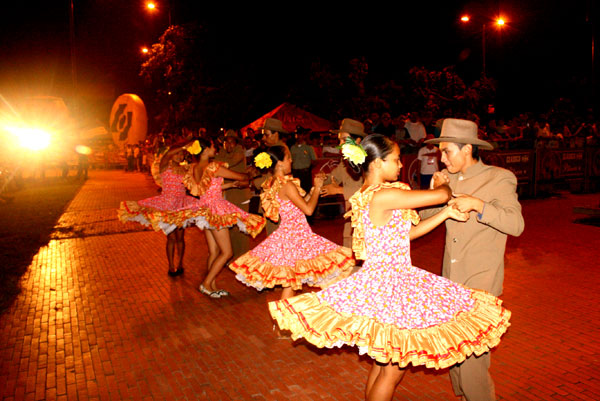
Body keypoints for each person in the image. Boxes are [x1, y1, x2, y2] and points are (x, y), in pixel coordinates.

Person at [269, 134, 511, 401]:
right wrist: (441, 184)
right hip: (389, 285)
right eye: (395, 160)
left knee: (384, 364)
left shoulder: (370, 195)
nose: (399, 165)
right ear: (376, 164)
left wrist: (445, 214)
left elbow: (406, 235)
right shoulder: (383, 196)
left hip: (390, 281)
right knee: (393, 371)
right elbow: (441, 195)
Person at [421, 118, 524, 401]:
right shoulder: (448, 179)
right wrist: (435, 193)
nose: (441, 158)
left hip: (481, 281)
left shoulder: (499, 178)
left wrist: (479, 205)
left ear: (467, 149)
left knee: (472, 362)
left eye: (447, 151)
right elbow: (424, 220)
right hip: (451, 283)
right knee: (456, 356)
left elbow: (516, 224)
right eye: (440, 152)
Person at [229, 146, 354, 329]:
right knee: (329, 268)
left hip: (291, 234)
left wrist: (314, 189)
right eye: (288, 159)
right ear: (279, 163)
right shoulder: (286, 185)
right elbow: (309, 209)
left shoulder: (274, 182)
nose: (291, 161)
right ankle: (322, 318)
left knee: (291, 281)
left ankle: (282, 323)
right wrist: (318, 188)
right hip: (296, 236)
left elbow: (302, 203)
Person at [186, 138, 267, 298]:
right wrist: (252, 173)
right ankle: (206, 283)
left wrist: (229, 186)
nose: (214, 148)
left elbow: (207, 187)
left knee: (214, 251)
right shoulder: (213, 167)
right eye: (212, 146)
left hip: (205, 209)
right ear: (205, 149)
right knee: (227, 252)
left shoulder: (195, 167)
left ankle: (211, 285)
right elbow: (241, 177)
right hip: (216, 211)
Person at [118, 141, 208, 277]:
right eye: (176, 153)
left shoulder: (185, 168)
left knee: (180, 237)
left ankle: (180, 264)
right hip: (167, 204)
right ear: (171, 154)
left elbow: (198, 172)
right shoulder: (164, 165)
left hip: (181, 205)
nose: (179, 156)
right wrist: (184, 145)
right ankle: (171, 266)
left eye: (181, 154)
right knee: (171, 237)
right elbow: (167, 154)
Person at [320, 118, 366, 248]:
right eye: (339, 140)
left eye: (344, 140)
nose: (340, 144)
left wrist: (339, 190)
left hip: (366, 221)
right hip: (351, 220)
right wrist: (322, 178)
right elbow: (334, 177)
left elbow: (372, 192)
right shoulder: (345, 161)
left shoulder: (368, 162)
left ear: (358, 141)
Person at [215, 129, 253, 259]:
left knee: (241, 229)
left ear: (236, 143)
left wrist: (220, 159)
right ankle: (232, 256)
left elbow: (227, 164)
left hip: (240, 196)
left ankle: (243, 257)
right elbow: (217, 164)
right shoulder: (222, 152)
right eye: (227, 142)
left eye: (232, 142)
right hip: (228, 195)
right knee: (231, 228)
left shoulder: (239, 151)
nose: (229, 145)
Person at [290, 129, 317, 193]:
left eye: (300, 134)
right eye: (297, 134)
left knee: (306, 191)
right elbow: (291, 160)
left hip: (305, 173)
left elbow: (315, 160)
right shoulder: (293, 148)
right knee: (296, 191)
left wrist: (309, 168)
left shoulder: (308, 148)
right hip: (295, 173)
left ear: (304, 136)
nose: (298, 136)